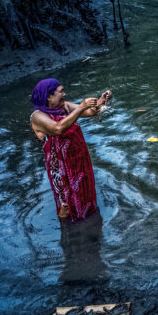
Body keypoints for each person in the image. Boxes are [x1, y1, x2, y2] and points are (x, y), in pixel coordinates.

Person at [29, 79, 111, 223]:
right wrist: (80, 107)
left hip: (79, 160)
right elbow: (57, 128)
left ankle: (90, 224)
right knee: (66, 205)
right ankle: (70, 233)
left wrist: (101, 101)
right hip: (61, 168)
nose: (65, 94)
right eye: (61, 91)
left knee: (85, 194)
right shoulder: (37, 116)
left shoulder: (64, 107)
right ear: (48, 96)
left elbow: (89, 112)